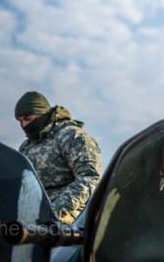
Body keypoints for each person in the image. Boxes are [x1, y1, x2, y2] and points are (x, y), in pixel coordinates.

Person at [14, 91, 102, 224]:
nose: (24, 125)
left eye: (28, 119)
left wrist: (53, 213)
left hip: (70, 223)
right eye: (20, 121)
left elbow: (89, 177)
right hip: (32, 222)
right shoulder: (26, 147)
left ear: (42, 114)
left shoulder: (71, 136)